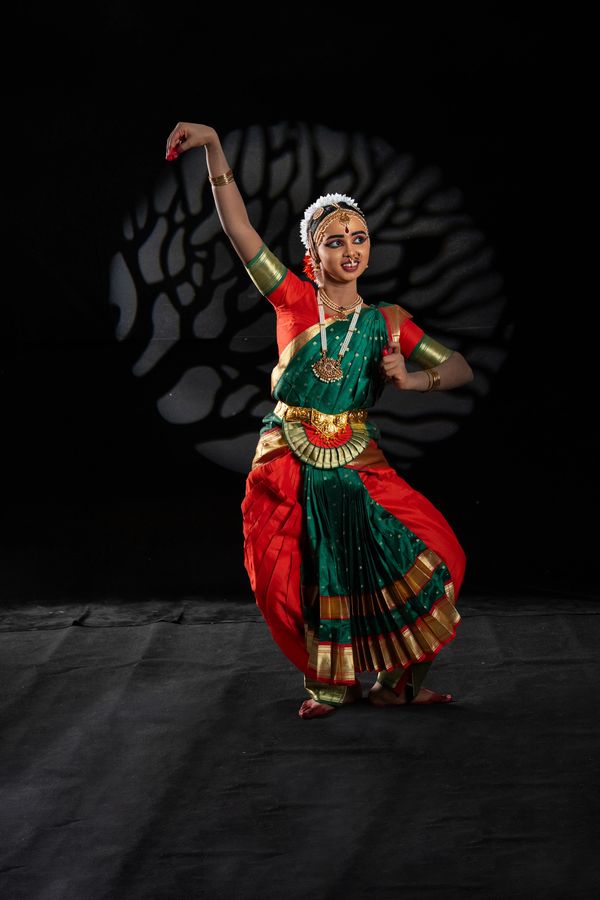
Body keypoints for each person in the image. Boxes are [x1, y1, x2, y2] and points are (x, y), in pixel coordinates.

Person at [165, 122, 474, 719]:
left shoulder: (387, 322)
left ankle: (398, 684)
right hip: (289, 456)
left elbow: (457, 366)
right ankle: (329, 685)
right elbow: (238, 229)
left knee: (439, 555)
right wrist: (215, 147)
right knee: (292, 579)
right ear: (313, 253)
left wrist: (413, 380)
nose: (350, 249)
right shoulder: (292, 298)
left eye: (359, 237)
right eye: (335, 241)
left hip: (358, 458)